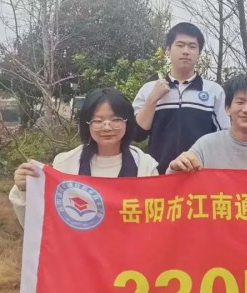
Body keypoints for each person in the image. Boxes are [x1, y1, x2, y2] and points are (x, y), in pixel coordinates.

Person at [9, 88, 159, 227]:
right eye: (98, 121)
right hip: (76, 248)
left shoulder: (145, 167)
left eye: (115, 120)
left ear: (128, 122)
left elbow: (158, 220)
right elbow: (41, 223)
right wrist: (24, 189)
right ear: (87, 124)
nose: (107, 127)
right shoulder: (64, 165)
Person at [133, 23, 229, 174]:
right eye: (180, 45)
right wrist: (152, 99)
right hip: (158, 175)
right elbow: (137, 135)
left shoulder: (214, 91)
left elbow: (225, 136)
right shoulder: (149, 89)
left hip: (200, 174)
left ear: (199, 53)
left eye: (192, 46)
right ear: (168, 50)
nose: (186, 51)